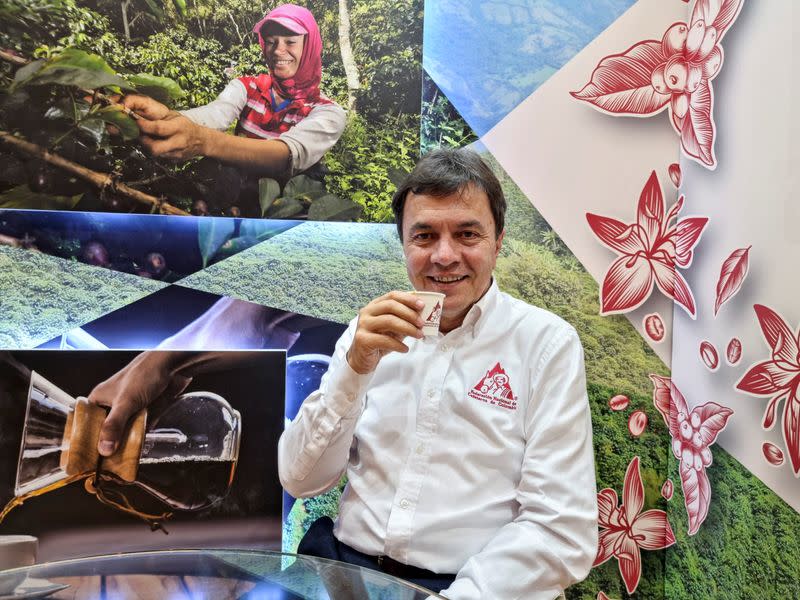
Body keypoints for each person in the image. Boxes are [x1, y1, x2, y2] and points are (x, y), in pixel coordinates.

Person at [278, 148, 598, 599]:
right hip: (345, 572)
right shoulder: (368, 332)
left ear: (498, 240)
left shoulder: (546, 344)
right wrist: (354, 368)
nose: (445, 256)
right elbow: (299, 479)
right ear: (404, 244)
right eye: (424, 236)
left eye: (467, 234)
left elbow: (560, 529)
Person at [121, 4, 345, 181]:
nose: (278, 50)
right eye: (271, 42)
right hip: (234, 207)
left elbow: (285, 156)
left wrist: (204, 142)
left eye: (290, 42)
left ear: (309, 47)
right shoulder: (247, 87)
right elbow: (214, 115)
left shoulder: (328, 113)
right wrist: (161, 116)